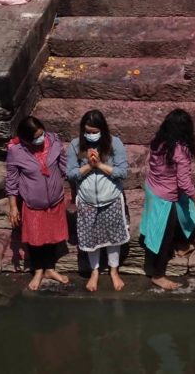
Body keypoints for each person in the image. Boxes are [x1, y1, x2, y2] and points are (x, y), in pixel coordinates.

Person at [140, 109, 195, 291]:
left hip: (153, 188)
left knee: (177, 217)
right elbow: (184, 182)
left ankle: (183, 244)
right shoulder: (180, 150)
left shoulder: (158, 142)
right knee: (163, 235)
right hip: (164, 195)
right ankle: (158, 275)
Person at [67, 110, 130, 292]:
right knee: (90, 238)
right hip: (87, 200)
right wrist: (88, 165)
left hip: (110, 198)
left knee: (113, 238)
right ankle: (94, 271)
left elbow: (122, 172)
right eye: (88, 131)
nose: (91, 135)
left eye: (95, 131)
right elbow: (70, 173)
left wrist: (100, 164)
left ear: (102, 129)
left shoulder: (114, 143)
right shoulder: (75, 145)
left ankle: (113, 271)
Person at [6, 116, 69, 291]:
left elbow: (65, 166)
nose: (41, 139)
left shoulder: (54, 141)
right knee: (35, 239)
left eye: (42, 134)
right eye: (35, 137)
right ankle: (38, 270)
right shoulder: (16, 151)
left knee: (51, 236)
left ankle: (49, 269)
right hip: (33, 203)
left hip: (55, 200)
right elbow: (12, 182)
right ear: (26, 138)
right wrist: (13, 207)